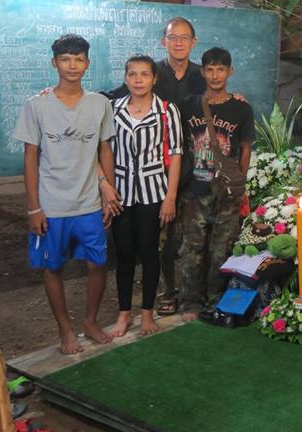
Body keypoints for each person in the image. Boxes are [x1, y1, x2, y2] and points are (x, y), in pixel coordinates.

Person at [13, 34, 118, 355]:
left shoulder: (99, 104)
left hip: (89, 203)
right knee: (53, 267)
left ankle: (90, 321)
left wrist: (109, 194)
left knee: (97, 264)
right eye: (65, 59)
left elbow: (105, 149)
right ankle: (65, 329)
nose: (72, 65)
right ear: (54, 63)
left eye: (79, 59)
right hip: (52, 205)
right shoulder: (37, 105)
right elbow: (30, 157)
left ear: (87, 63)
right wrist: (34, 208)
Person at [104, 17, 205, 317]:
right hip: (144, 180)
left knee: (185, 237)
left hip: (188, 171)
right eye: (173, 37)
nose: (178, 43)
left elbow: (218, 94)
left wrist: (235, 96)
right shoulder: (146, 78)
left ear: (193, 42)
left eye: (184, 38)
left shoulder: (199, 77)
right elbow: (108, 106)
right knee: (150, 245)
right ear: (165, 41)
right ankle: (159, 296)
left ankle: (189, 296)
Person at [108, 55, 183, 337]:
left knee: (150, 252)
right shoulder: (113, 109)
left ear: (154, 78)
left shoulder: (166, 110)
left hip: (153, 191)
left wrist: (170, 197)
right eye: (132, 74)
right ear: (125, 78)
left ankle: (147, 312)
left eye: (144, 74)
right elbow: (105, 150)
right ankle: (124, 313)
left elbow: (176, 154)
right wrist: (106, 190)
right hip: (121, 193)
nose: (138, 80)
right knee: (124, 254)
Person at [177, 48, 254, 321]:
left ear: (229, 71)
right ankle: (190, 302)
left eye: (220, 69)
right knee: (192, 248)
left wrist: (240, 185)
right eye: (210, 69)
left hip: (227, 191)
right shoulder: (188, 106)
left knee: (222, 248)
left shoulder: (241, 108)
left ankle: (217, 300)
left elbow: (245, 148)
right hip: (194, 189)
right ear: (202, 72)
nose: (215, 75)